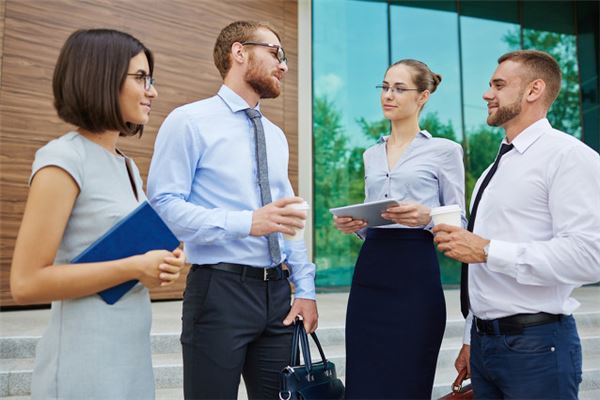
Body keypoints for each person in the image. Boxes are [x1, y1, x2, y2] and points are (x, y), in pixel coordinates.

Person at [9, 29, 185, 399]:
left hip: (130, 359)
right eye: (141, 78)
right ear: (102, 77)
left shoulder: (128, 167)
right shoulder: (63, 159)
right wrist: (136, 266)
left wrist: (158, 266)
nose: (152, 91)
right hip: (83, 366)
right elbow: (26, 283)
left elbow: (122, 256)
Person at [147, 20, 318, 400]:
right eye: (276, 53)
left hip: (278, 296)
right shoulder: (188, 121)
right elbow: (163, 205)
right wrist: (247, 222)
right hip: (218, 292)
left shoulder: (275, 135)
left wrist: (305, 288)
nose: (284, 66)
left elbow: (289, 217)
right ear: (239, 52)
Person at [433, 50, 600, 399]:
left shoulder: (569, 157)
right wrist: (470, 339)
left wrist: (488, 251)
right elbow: (482, 273)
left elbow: (589, 256)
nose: (486, 94)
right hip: (485, 345)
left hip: (537, 347)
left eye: (498, 84)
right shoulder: (493, 171)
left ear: (534, 90)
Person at [334, 59, 466, 399]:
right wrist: (356, 224)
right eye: (385, 87)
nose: (388, 95)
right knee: (364, 380)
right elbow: (372, 216)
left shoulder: (445, 151)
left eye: (399, 88)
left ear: (422, 97)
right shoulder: (370, 154)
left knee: (408, 378)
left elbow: (460, 223)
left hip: (415, 272)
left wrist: (427, 217)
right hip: (372, 269)